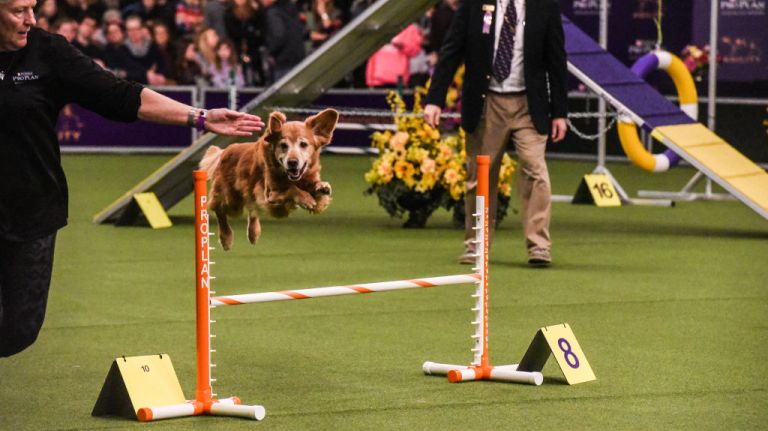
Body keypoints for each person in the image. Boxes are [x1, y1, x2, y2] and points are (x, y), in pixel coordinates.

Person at [0, 0, 264, 358]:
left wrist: (200, 117)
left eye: (32, 7)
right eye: (19, 11)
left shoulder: (47, 52)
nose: (31, 19)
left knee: (18, 329)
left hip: (31, 209)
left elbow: (120, 94)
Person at [423, 0, 568, 266]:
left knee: (536, 171)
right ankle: (476, 245)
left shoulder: (544, 6)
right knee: (480, 176)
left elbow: (557, 59)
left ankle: (539, 246)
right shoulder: (474, 5)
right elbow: (451, 50)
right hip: (486, 103)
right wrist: (435, 98)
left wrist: (560, 112)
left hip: (529, 104)